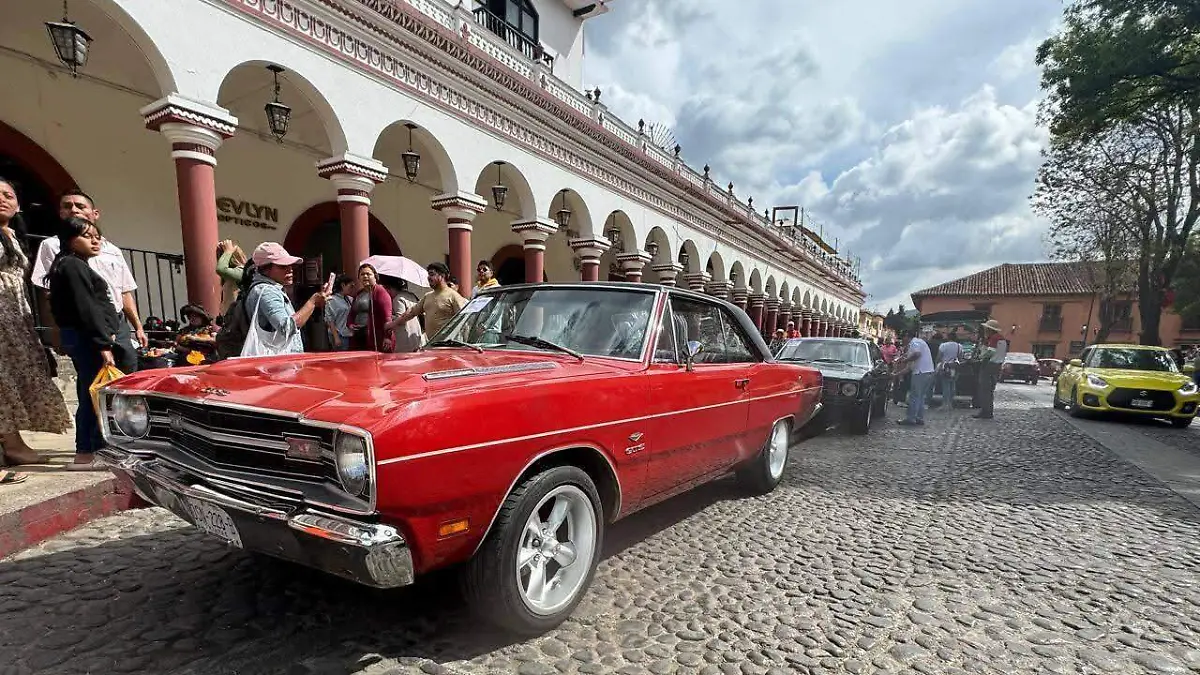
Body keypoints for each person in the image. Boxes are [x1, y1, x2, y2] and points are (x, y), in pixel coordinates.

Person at [46, 216, 132, 470]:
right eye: (86, 235)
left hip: (88, 338)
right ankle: (87, 450)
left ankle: (94, 448)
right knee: (94, 393)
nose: (95, 240)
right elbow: (87, 309)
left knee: (94, 391)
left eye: (97, 235)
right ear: (70, 240)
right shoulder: (72, 266)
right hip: (88, 340)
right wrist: (103, 345)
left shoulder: (76, 265)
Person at [31, 189, 146, 371]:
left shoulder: (111, 250)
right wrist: (56, 330)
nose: (74, 210)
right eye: (67, 206)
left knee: (126, 371)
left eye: (80, 206)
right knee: (94, 377)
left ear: (95, 213)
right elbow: (51, 294)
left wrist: (138, 326)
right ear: (60, 212)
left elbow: (124, 291)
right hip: (84, 326)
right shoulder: (57, 250)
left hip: (116, 322)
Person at [0, 177, 70, 474]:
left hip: (15, 315)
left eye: (8, 195)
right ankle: (12, 443)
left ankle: (10, 441)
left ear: (17, 205)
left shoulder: (15, 236)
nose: (2, 199)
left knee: (18, 373)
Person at [240, 243, 328, 356]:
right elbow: (287, 327)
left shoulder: (268, 289)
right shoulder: (267, 291)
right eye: (283, 266)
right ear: (266, 269)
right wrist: (313, 302)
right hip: (277, 365)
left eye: (291, 265)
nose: (290, 270)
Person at [386, 262, 467, 340]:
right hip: (431, 345)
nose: (429, 278)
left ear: (442, 276)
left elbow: (464, 320)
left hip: (449, 346)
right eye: (428, 275)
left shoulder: (453, 296)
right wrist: (392, 324)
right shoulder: (427, 296)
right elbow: (411, 312)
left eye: (432, 274)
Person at [894, 328, 935, 426]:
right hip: (927, 372)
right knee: (920, 396)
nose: (902, 340)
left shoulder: (914, 342)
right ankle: (919, 418)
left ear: (907, 336)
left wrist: (905, 360)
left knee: (914, 396)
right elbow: (909, 368)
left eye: (903, 338)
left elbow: (917, 354)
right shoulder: (919, 343)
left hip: (920, 372)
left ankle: (910, 418)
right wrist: (896, 374)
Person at [353, 263, 393, 352]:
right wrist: (350, 324)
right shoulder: (359, 293)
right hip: (360, 335)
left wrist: (387, 337)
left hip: (377, 336)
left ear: (375, 276)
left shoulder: (380, 292)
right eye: (362, 274)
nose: (365, 276)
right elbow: (352, 312)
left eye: (368, 274)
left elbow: (387, 317)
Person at [380, 275, 423, 353]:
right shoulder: (411, 295)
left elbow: (401, 319)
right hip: (416, 335)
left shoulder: (398, 299)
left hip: (405, 338)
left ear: (389, 288)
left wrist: (389, 323)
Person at [974, 319, 1007, 419]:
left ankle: (985, 411)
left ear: (989, 329)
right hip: (997, 365)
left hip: (989, 365)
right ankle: (988, 410)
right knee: (990, 390)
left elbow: (990, 352)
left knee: (984, 389)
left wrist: (981, 357)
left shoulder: (993, 338)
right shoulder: (1002, 339)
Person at [215, 239, 247, 313]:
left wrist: (228, 251)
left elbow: (221, 269)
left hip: (237, 319)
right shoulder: (229, 276)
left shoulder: (242, 271)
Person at [324, 274, 356, 351]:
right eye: (350, 286)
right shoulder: (332, 300)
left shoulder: (349, 299)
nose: (352, 289)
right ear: (343, 285)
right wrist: (336, 337)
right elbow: (330, 320)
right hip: (339, 334)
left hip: (348, 333)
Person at [936, 336, 965, 409]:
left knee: (945, 385)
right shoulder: (959, 346)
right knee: (952, 385)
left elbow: (939, 357)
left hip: (945, 367)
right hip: (955, 367)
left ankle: (945, 403)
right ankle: (950, 403)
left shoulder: (943, 345)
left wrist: (938, 364)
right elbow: (960, 358)